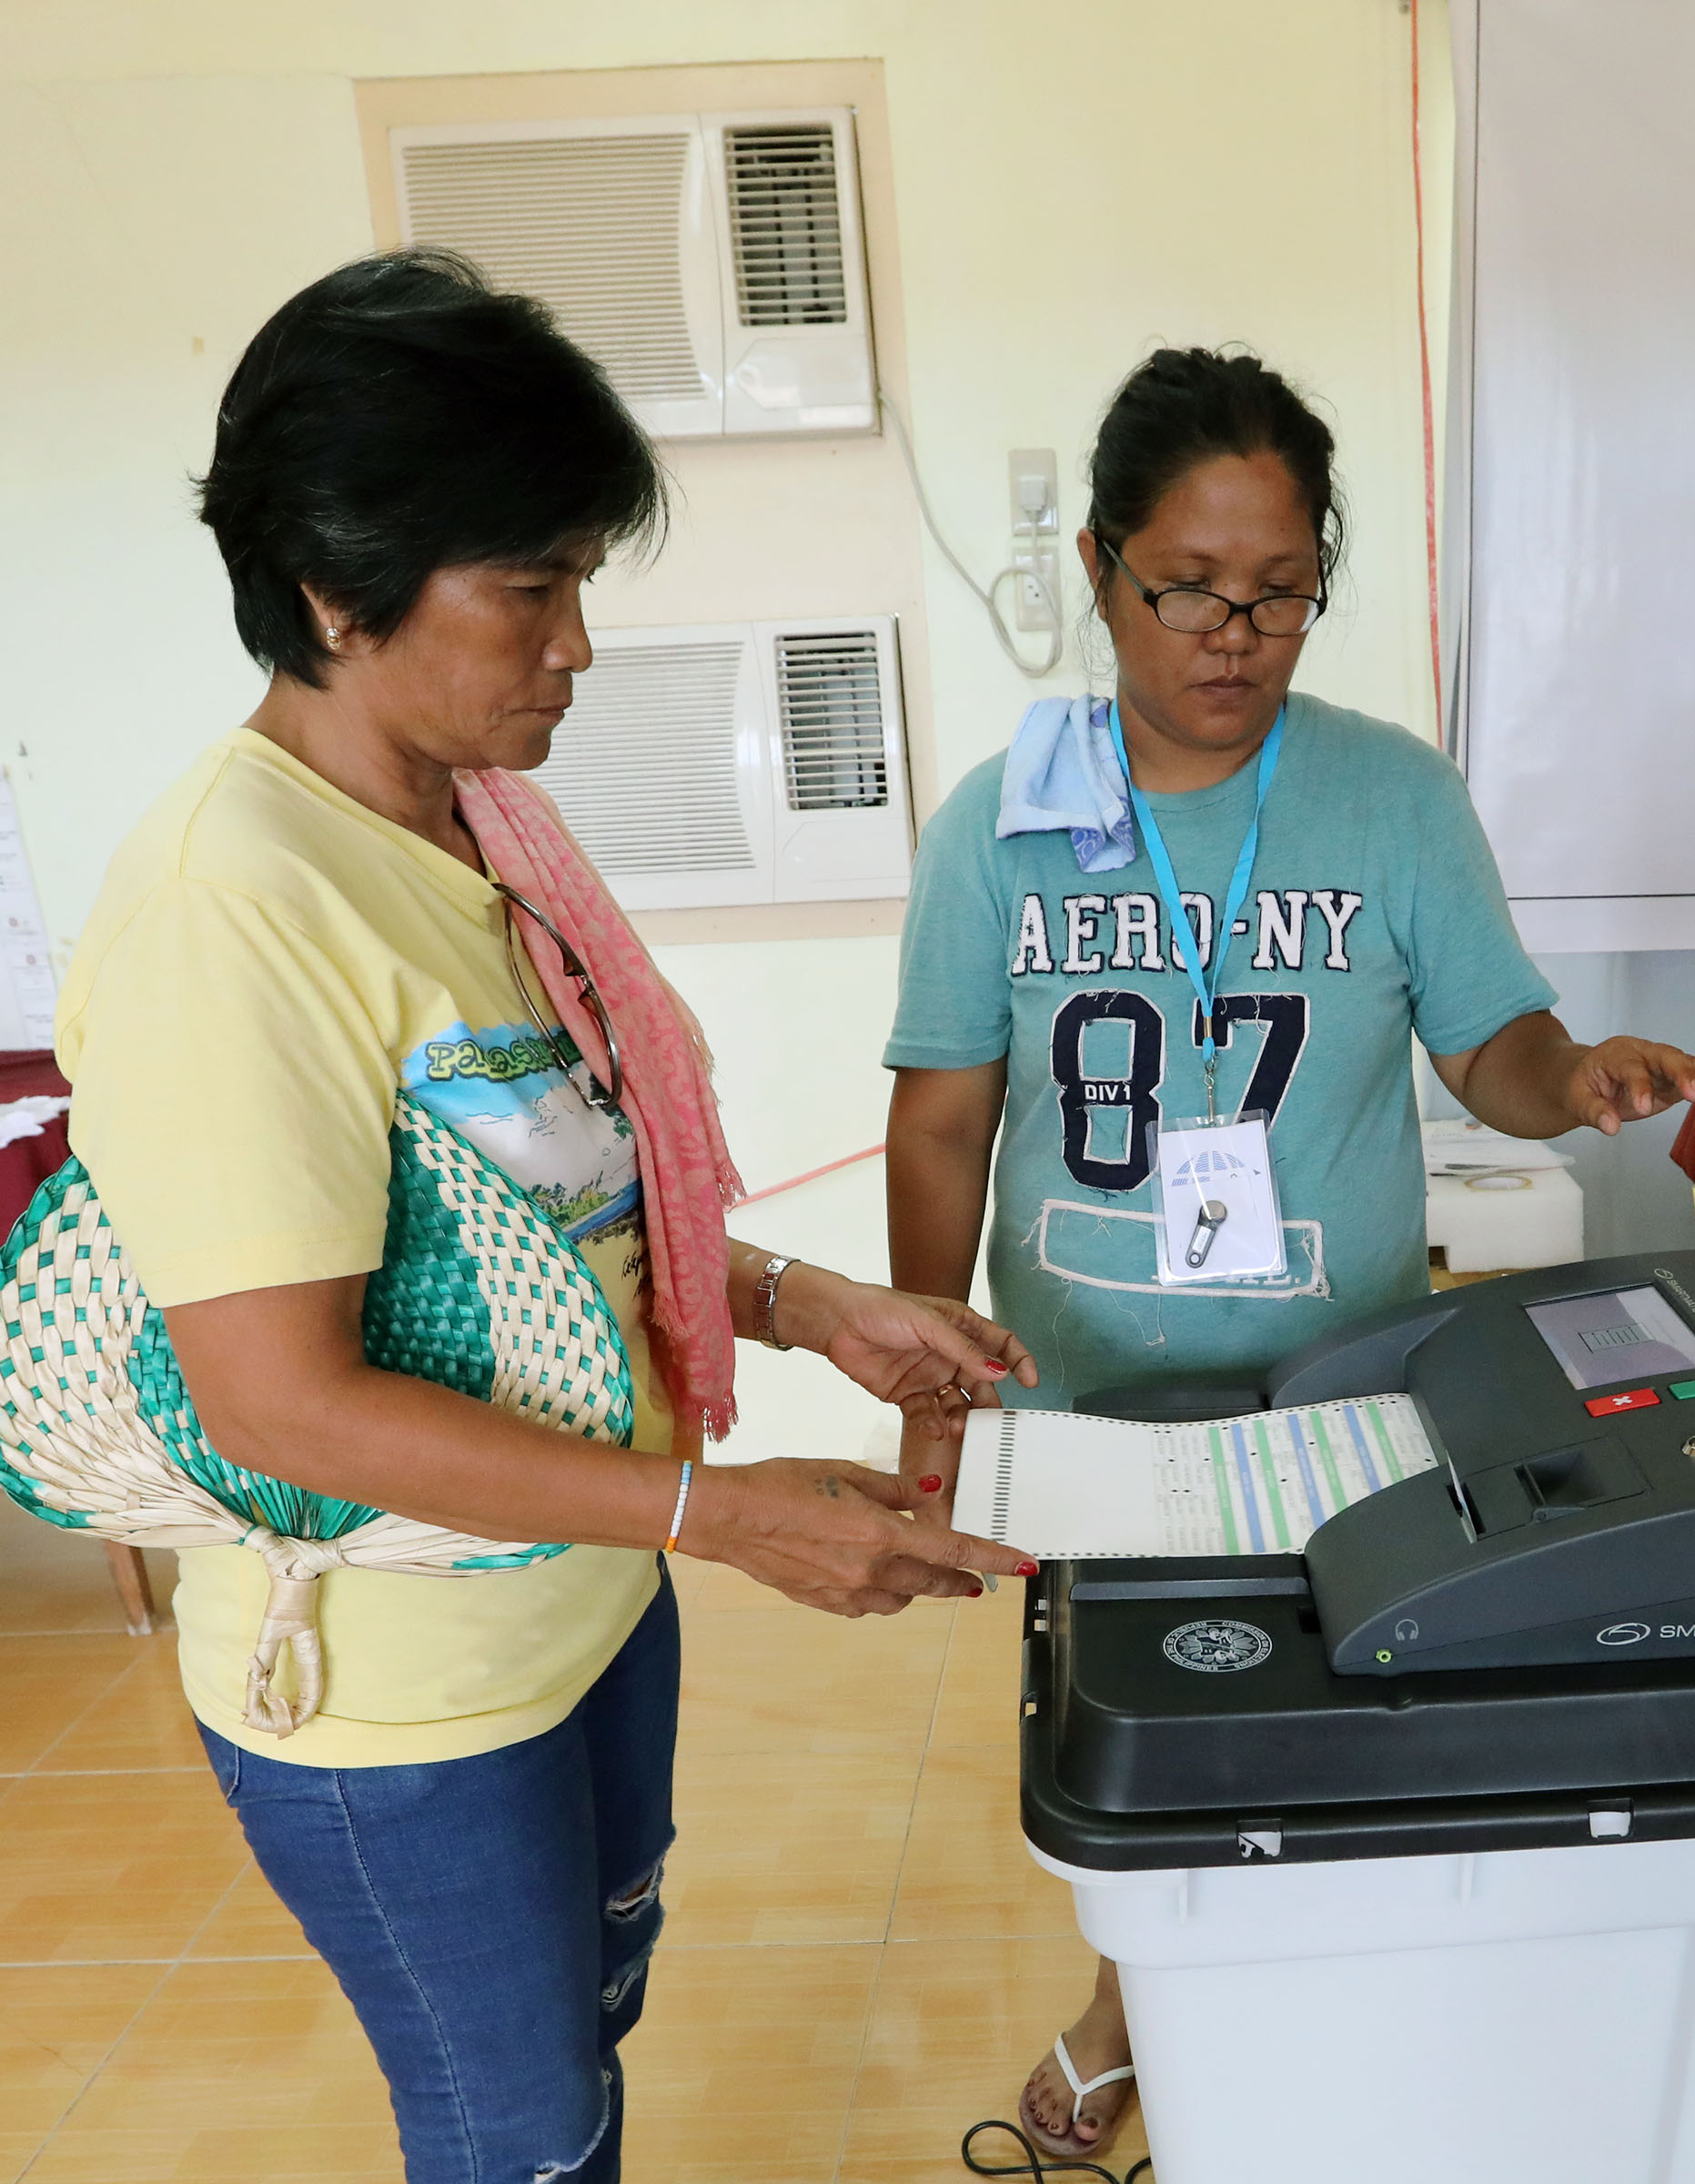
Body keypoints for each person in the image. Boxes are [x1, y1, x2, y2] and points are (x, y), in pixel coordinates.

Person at [53, 252, 1040, 2184]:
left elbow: (552, 1229)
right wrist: (739, 1513)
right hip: (402, 1700)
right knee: (513, 2134)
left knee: (588, 2044)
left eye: (582, 578)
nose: (580, 642)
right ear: (340, 591)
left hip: (587, 1605)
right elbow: (281, 1403)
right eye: (535, 587)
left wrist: (800, 1301)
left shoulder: (476, 828)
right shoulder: (230, 908)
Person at [882, 345, 1695, 2161]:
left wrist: (1567, 1081)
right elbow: (943, 1122)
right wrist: (928, 1368)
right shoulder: (1000, 821)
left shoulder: (1393, 797)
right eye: (1188, 586)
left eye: (1280, 593)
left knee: (1339, 1720)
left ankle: (1313, 2036)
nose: (1234, 635)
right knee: (1141, 1746)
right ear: (1105, 568)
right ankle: (1136, 2014)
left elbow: (1490, 1048)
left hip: (1343, 1376)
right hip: (1089, 1382)